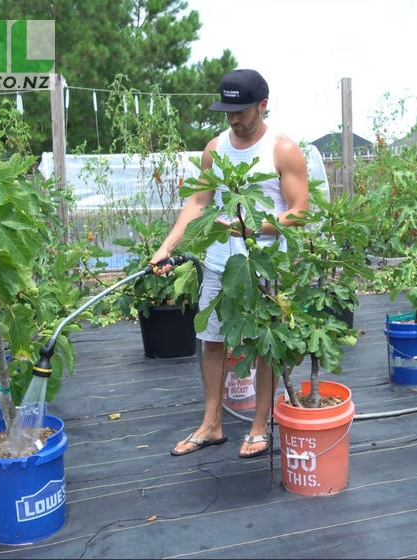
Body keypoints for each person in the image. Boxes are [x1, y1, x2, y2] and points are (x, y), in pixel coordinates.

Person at [150, 69, 311, 459]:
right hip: (221, 263)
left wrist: (253, 230)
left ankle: (259, 426)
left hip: (265, 265)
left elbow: (300, 212)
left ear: (262, 105)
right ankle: (211, 426)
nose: (235, 120)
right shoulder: (215, 148)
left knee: (262, 344)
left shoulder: (283, 150)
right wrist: (168, 245)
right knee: (213, 342)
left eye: (242, 111)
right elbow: (199, 202)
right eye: (228, 112)